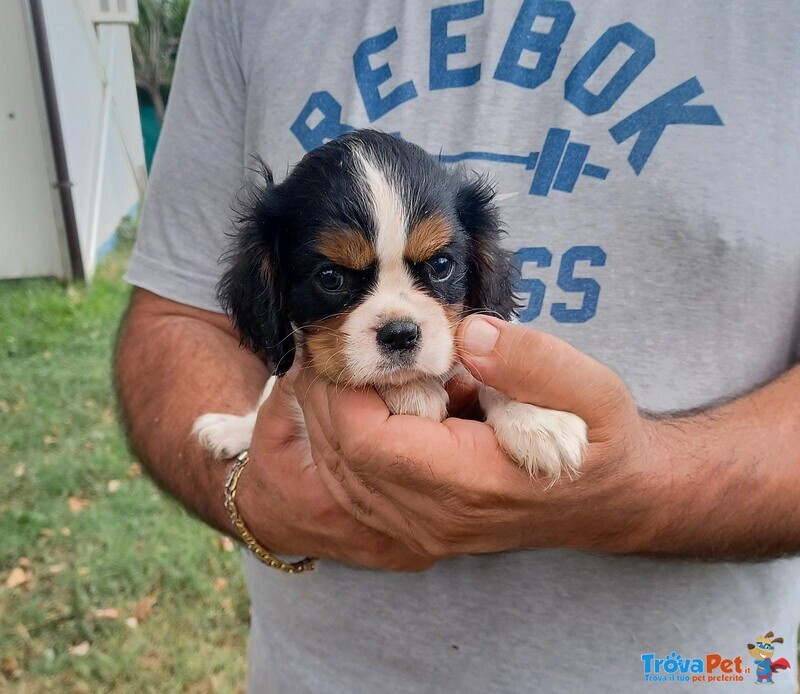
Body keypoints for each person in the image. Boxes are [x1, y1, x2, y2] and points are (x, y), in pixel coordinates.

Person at [116, 1, 800, 691]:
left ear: (477, 268)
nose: (400, 321)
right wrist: (257, 495)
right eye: (332, 277)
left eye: (436, 268)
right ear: (272, 280)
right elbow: (182, 321)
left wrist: (635, 487)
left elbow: (484, 377)